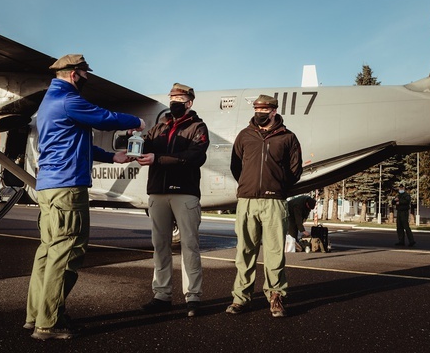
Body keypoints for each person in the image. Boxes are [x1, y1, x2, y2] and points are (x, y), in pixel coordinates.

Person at [25, 54, 145, 340]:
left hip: (49, 186)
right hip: (67, 187)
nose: (87, 78)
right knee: (67, 251)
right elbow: (105, 118)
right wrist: (137, 121)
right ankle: (50, 323)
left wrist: (110, 156)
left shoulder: (49, 103)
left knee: (48, 252)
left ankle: (35, 315)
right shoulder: (69, 100)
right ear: (73, 73)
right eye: (84, 73)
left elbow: (75, 144)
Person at [136, 83, 209, 317]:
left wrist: (159, 159)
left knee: (189, 245)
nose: (174, 101)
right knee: (160, 246)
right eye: (172, 97)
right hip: (157, 192)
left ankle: (193, 296)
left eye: (179, 97)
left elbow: (194, 156)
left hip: (185, 193)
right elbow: (143, 146)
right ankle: (161, 295)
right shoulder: (158, 128)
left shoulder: (198, 127)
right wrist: (133, 137)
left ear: (189, 102)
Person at [226, 94, 303, 318]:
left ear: (273, 111)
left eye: (264, 110)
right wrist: (247, 186)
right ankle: (241, 298)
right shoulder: (244, 135)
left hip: (274, 202)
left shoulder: (288, 138)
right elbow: (235, 166)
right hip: (247, 201)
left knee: (274, 253)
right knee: (245, 251)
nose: (259, 113)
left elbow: (294, 170)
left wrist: (276, 186)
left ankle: (276, 296)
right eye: (256, 109)